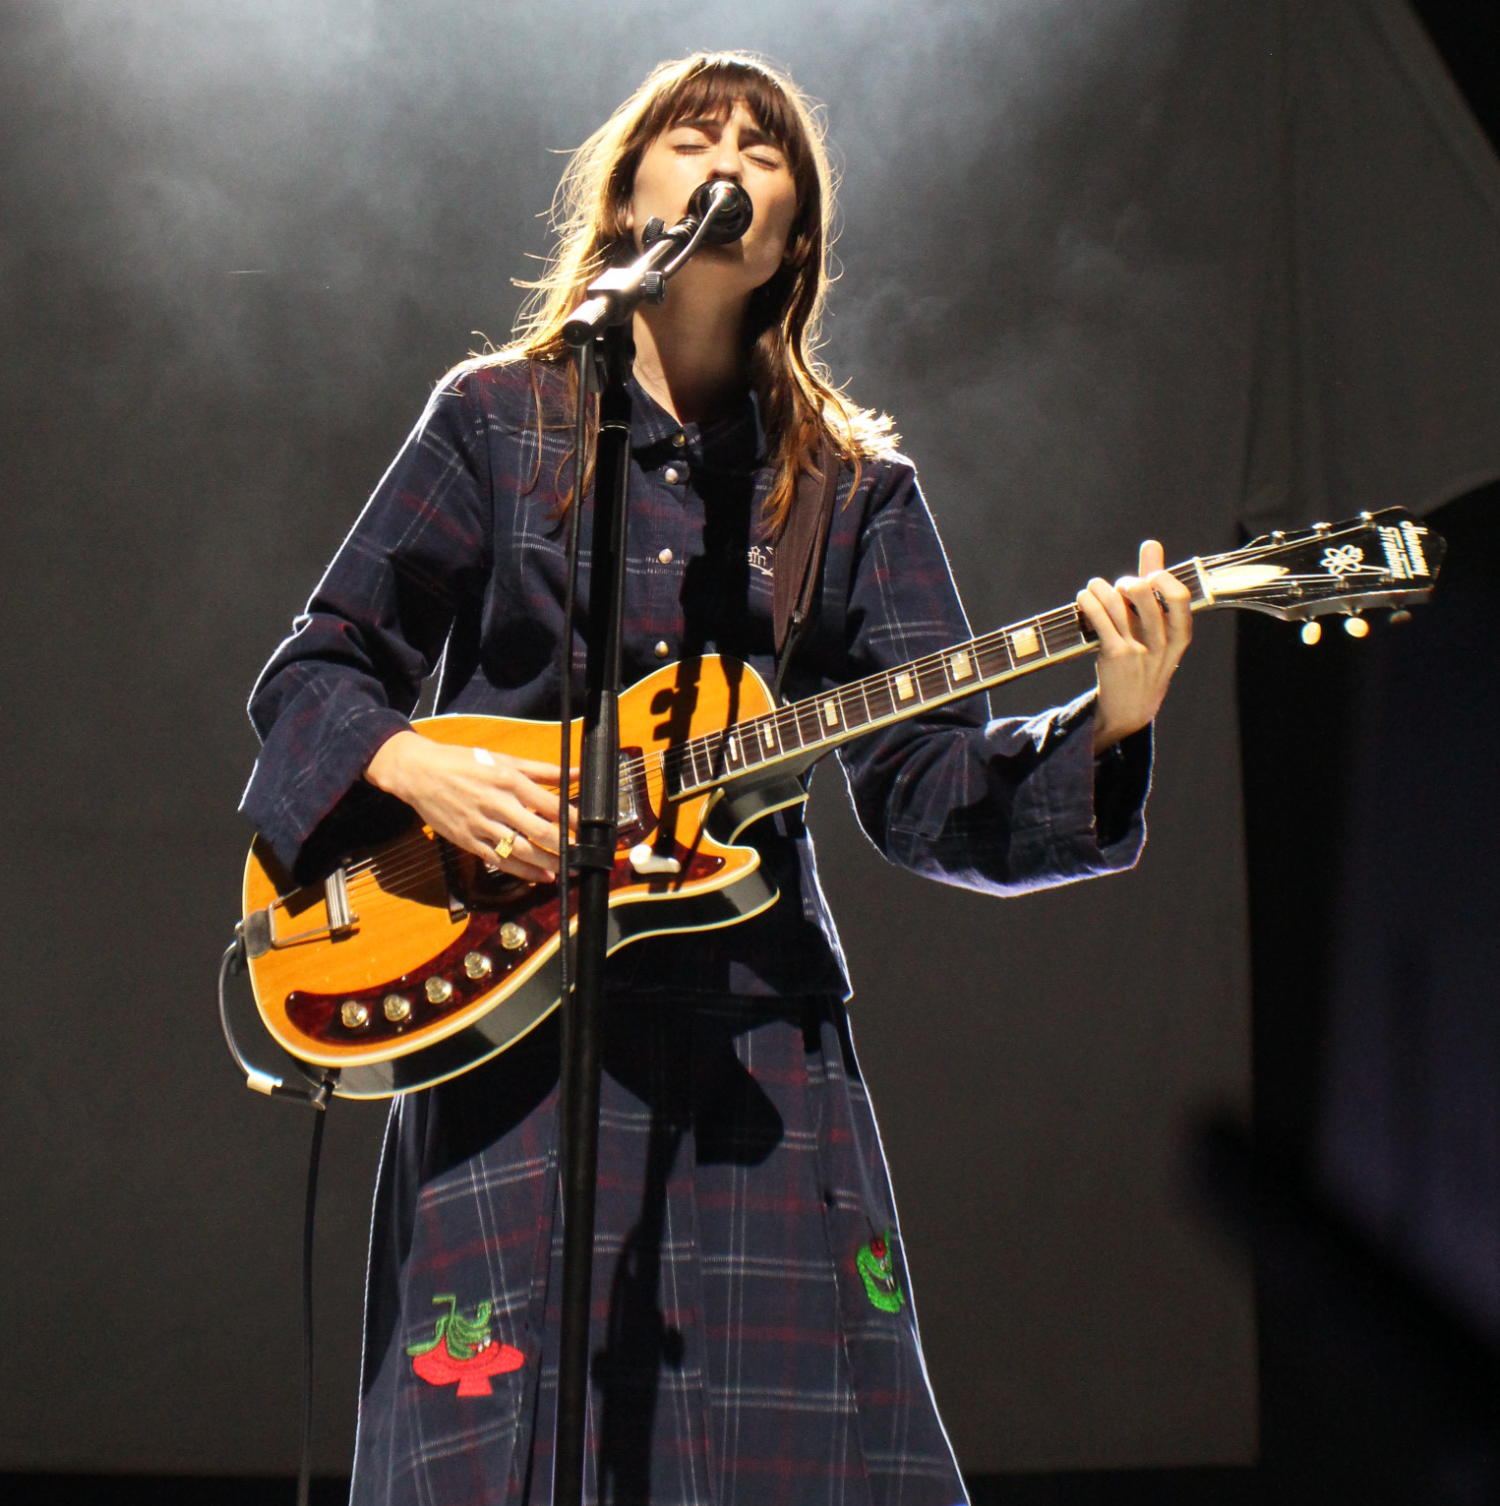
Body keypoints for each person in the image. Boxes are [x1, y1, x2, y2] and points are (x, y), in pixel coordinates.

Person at [241, 51, 1191, 1506]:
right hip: (509, 1025)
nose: (731, 157)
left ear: (795, 234)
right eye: (694, 136)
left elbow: (923, 787)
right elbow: (320, 670)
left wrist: (1108, 725)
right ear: (630, 198)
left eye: (768, 146)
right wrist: (413, 758)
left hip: (752, 1042)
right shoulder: (500, 419)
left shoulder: (852, 489)